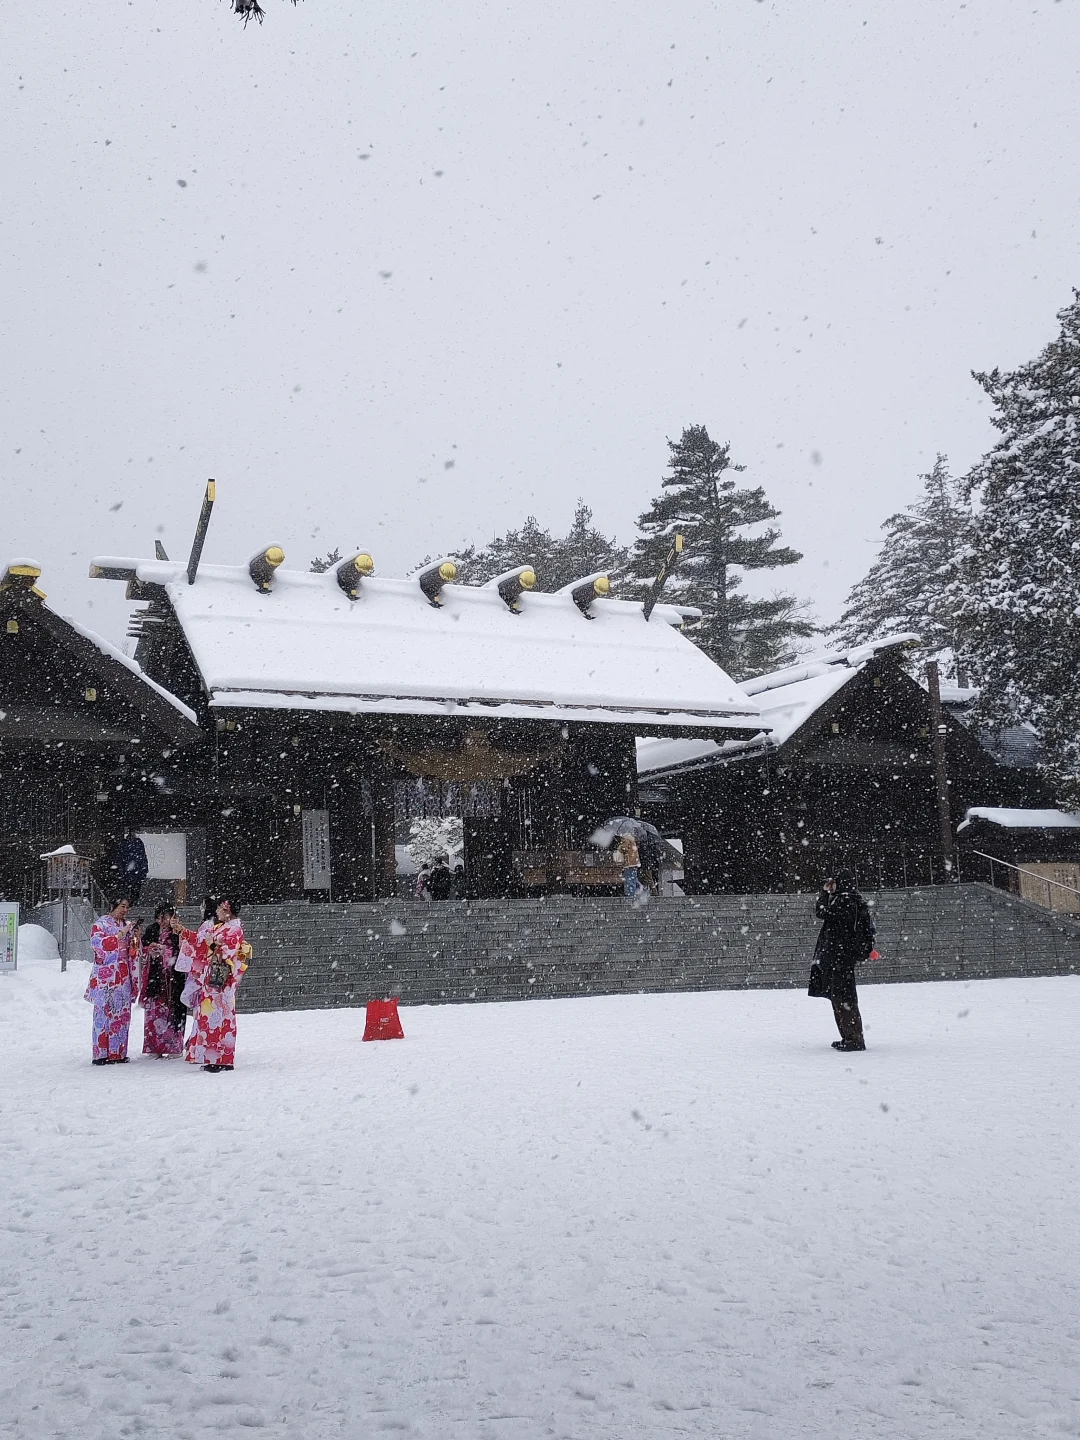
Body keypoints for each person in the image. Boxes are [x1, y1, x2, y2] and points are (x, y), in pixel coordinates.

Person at [172, 897, 248, 1072]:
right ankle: (215, 1057)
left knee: (221, 1016)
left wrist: (212, 945)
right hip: (212, 978)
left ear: (228, 911)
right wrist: (183, 931)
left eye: (221, 908)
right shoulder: (219, 928)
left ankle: (222, 1058)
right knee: (211, 1017)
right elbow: (200, 943)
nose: (217, 911)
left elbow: (226, 951)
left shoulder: (234, 929)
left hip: (222, 979)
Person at [809, 871, 876, 1051]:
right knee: (840, 997)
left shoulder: (845, 901)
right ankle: (849, 1037)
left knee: (843, 998)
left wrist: (824, 894)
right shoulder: (852, 900)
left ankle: (853, 1040)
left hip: (840, 956)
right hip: (842, 956)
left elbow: (821, 912)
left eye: (835, 882)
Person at [86, 897, 141, 1065]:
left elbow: (133, 950)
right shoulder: (101, 924)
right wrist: (120, 934)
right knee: (103, 1012)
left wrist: (136, 939)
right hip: (106, 974)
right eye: (122, 906)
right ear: (113, 906)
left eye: (127, 907)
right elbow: (97, 944)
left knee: (122, 1013)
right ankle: (101, 1053)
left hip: (123, 973)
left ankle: (118, 1053)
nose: (125, 910)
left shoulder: (127, 924)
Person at [138, 904, 185, 1057]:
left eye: (165, 917)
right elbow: (142, 948)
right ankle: (154, 1046)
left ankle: (173, 1046)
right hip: (155, 976)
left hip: (173, 978)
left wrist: (166, 952)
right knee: (154, 1010)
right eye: (159, 917)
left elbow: (184, 951)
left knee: (172, 1010)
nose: (162, 921)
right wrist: (149, 950)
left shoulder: (178, 931)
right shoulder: (152, 930)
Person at [114, 829, 149, 905]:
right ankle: (131, 902)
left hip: (132, 872)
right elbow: (143, 858)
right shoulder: (131, 843)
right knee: (131, 890)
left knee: (131, 890)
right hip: (132, 872)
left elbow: (143, 858)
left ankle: (130, 902)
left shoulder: (130, 843)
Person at [614, 830, 642, 899]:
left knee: (629, 879)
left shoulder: (626, 839)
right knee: (633, 878)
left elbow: (624, 849)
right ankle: (639, 891)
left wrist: (620, 847)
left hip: (630, 862)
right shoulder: (631, 839)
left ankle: (630, 895)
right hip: (634, 862)